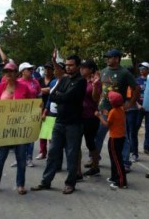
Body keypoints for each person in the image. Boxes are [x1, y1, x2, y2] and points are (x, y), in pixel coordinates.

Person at [31, 55, 86, 195]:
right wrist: (60, 96)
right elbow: (53, 95)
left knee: (71, 155)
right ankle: (46, 181)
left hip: (73, 124)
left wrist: (60, 96)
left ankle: (70, 183)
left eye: (71, 65)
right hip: (59, 122)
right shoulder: (64, 79)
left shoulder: (81, 81)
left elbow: (66, 97)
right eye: (66, 64)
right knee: (53, 152)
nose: (68, 67)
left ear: (78, 66)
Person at [0, 62, 31, 195]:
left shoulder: (25, 88)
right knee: (0, 159)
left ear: (17, 73)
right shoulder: (0, 88)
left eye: (11, 71)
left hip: (20, 128)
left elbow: (32, 106)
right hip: (4, 129)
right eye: (6, 72)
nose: (8, 74)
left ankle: (20, 184)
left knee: (21, 159)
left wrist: (39, 109)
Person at [92, 49, 139, 174]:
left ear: (117, 59)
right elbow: (101, 89)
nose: (107, 59)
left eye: (110, 57)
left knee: (122, 137)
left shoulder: (124, 73)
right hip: (103, 109)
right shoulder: (103, 72)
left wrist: (130, 103)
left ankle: (125, 162)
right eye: (106, 57)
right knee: (98, 136)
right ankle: (95, 159)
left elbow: (136, 88)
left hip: (117, 110)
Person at [95, 91, 127, 190]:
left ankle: (122, 181)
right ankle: (114, 177)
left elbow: (107, 124)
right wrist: (106, 113)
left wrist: (99, 116)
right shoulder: (120, 109)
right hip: (120, 137)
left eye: (109, 99)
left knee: (117, 160)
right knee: (114, 158)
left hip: (114, 138)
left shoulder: (113, 112)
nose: (108, 99)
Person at [78, 59, 101, 177]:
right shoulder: (80, 80)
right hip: (79, 115)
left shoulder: (95, 82)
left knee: (90, 142)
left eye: (84, 67)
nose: (81, 69)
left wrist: (95, 85)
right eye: (81, 67)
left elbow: (96, 98)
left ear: (91, 69)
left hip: (91, 116)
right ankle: (77, 171)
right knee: (76, 143)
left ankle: (95, 166)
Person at [17, 62, 40, 168]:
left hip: (33, 113)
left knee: (30, 136)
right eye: (28, 69)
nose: (31, 71)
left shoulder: (35, 82)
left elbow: (39, 95)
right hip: (19, 113)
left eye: (31, 69)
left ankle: (29, 158)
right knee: (20, 136)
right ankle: (19, 159)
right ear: (22, 71)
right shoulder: (17, 82)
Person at [36, 62, 54, 160]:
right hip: (39, 107)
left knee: (50, 132)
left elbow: (52, 90)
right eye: (46, 68)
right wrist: (46, 89)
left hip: (51, 108)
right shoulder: (39, 79)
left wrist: (41, 90)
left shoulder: (54, 80)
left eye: (49, 68)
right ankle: (43, 152)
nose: (47, 70)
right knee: (42, 131)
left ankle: (51, 152)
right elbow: (35, 90)